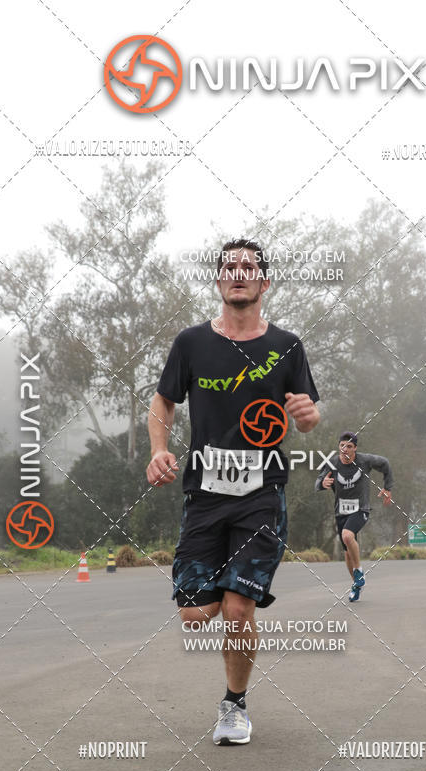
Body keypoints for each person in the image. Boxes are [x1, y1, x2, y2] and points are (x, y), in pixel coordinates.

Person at [146, 239, 320, 745]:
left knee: (239, 609)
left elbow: (306, 413)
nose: (238, 273)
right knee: (196, 615)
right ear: (219, 281)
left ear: (264, 283)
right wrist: (157, 450)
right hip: (204, 495)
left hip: (262, 494)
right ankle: (224, 592)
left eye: (249, 268)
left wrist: (310, 418)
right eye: (229, 267)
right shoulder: (192, 343)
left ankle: (234, 706)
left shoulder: (286, 346)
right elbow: (162, 401)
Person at [315, 432, 393, 602]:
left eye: (349, 446)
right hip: (340, 512)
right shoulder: (332, 463)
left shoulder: (365, 461)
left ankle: (359, 571)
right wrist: (322, 483)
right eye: (342, 445)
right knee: (347, 554)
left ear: (355, 449)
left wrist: (387, 487)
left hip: (360, 509)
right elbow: (318, 480)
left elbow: (385, 463)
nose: (345, 449)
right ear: (339, 447)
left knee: (347, 535)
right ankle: (356, 585)